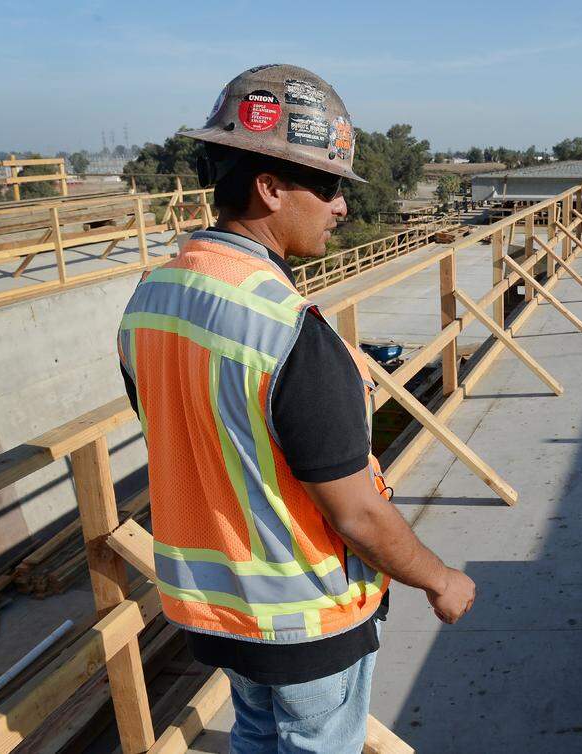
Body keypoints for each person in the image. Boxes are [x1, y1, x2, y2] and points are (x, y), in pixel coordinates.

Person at [116, 64, 475, 754]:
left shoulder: (151, 299)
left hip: (215, 609)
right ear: (270, 186)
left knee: (254, 734)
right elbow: (356, 513)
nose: (341, 205)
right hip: (302, 618)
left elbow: (188, 432)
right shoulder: (289, 329)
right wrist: (440, 578)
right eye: (330, 185)